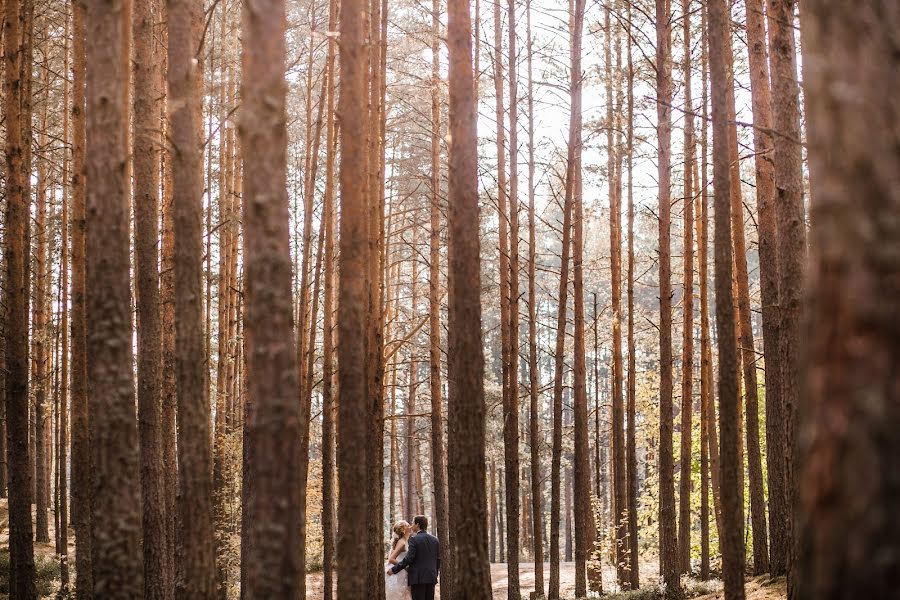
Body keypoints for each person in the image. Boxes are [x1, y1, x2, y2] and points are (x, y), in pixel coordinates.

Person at [386, 515, 440, 600]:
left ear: (417, 525)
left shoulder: (414, 539)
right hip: (431, 577)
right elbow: (438, 560)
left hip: (418, 578)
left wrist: (394, 569)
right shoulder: (435, 540)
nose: (411, 525)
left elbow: (409, 559)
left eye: (412, 523)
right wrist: (435, 574)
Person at [385, 520, 413, 600]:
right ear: (403, 530)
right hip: (399, 572)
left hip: (402, 572)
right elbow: (391, 559)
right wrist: (405, 566)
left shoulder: (405, 541)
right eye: (407, 526)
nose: (410, 527)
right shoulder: (402, 542)